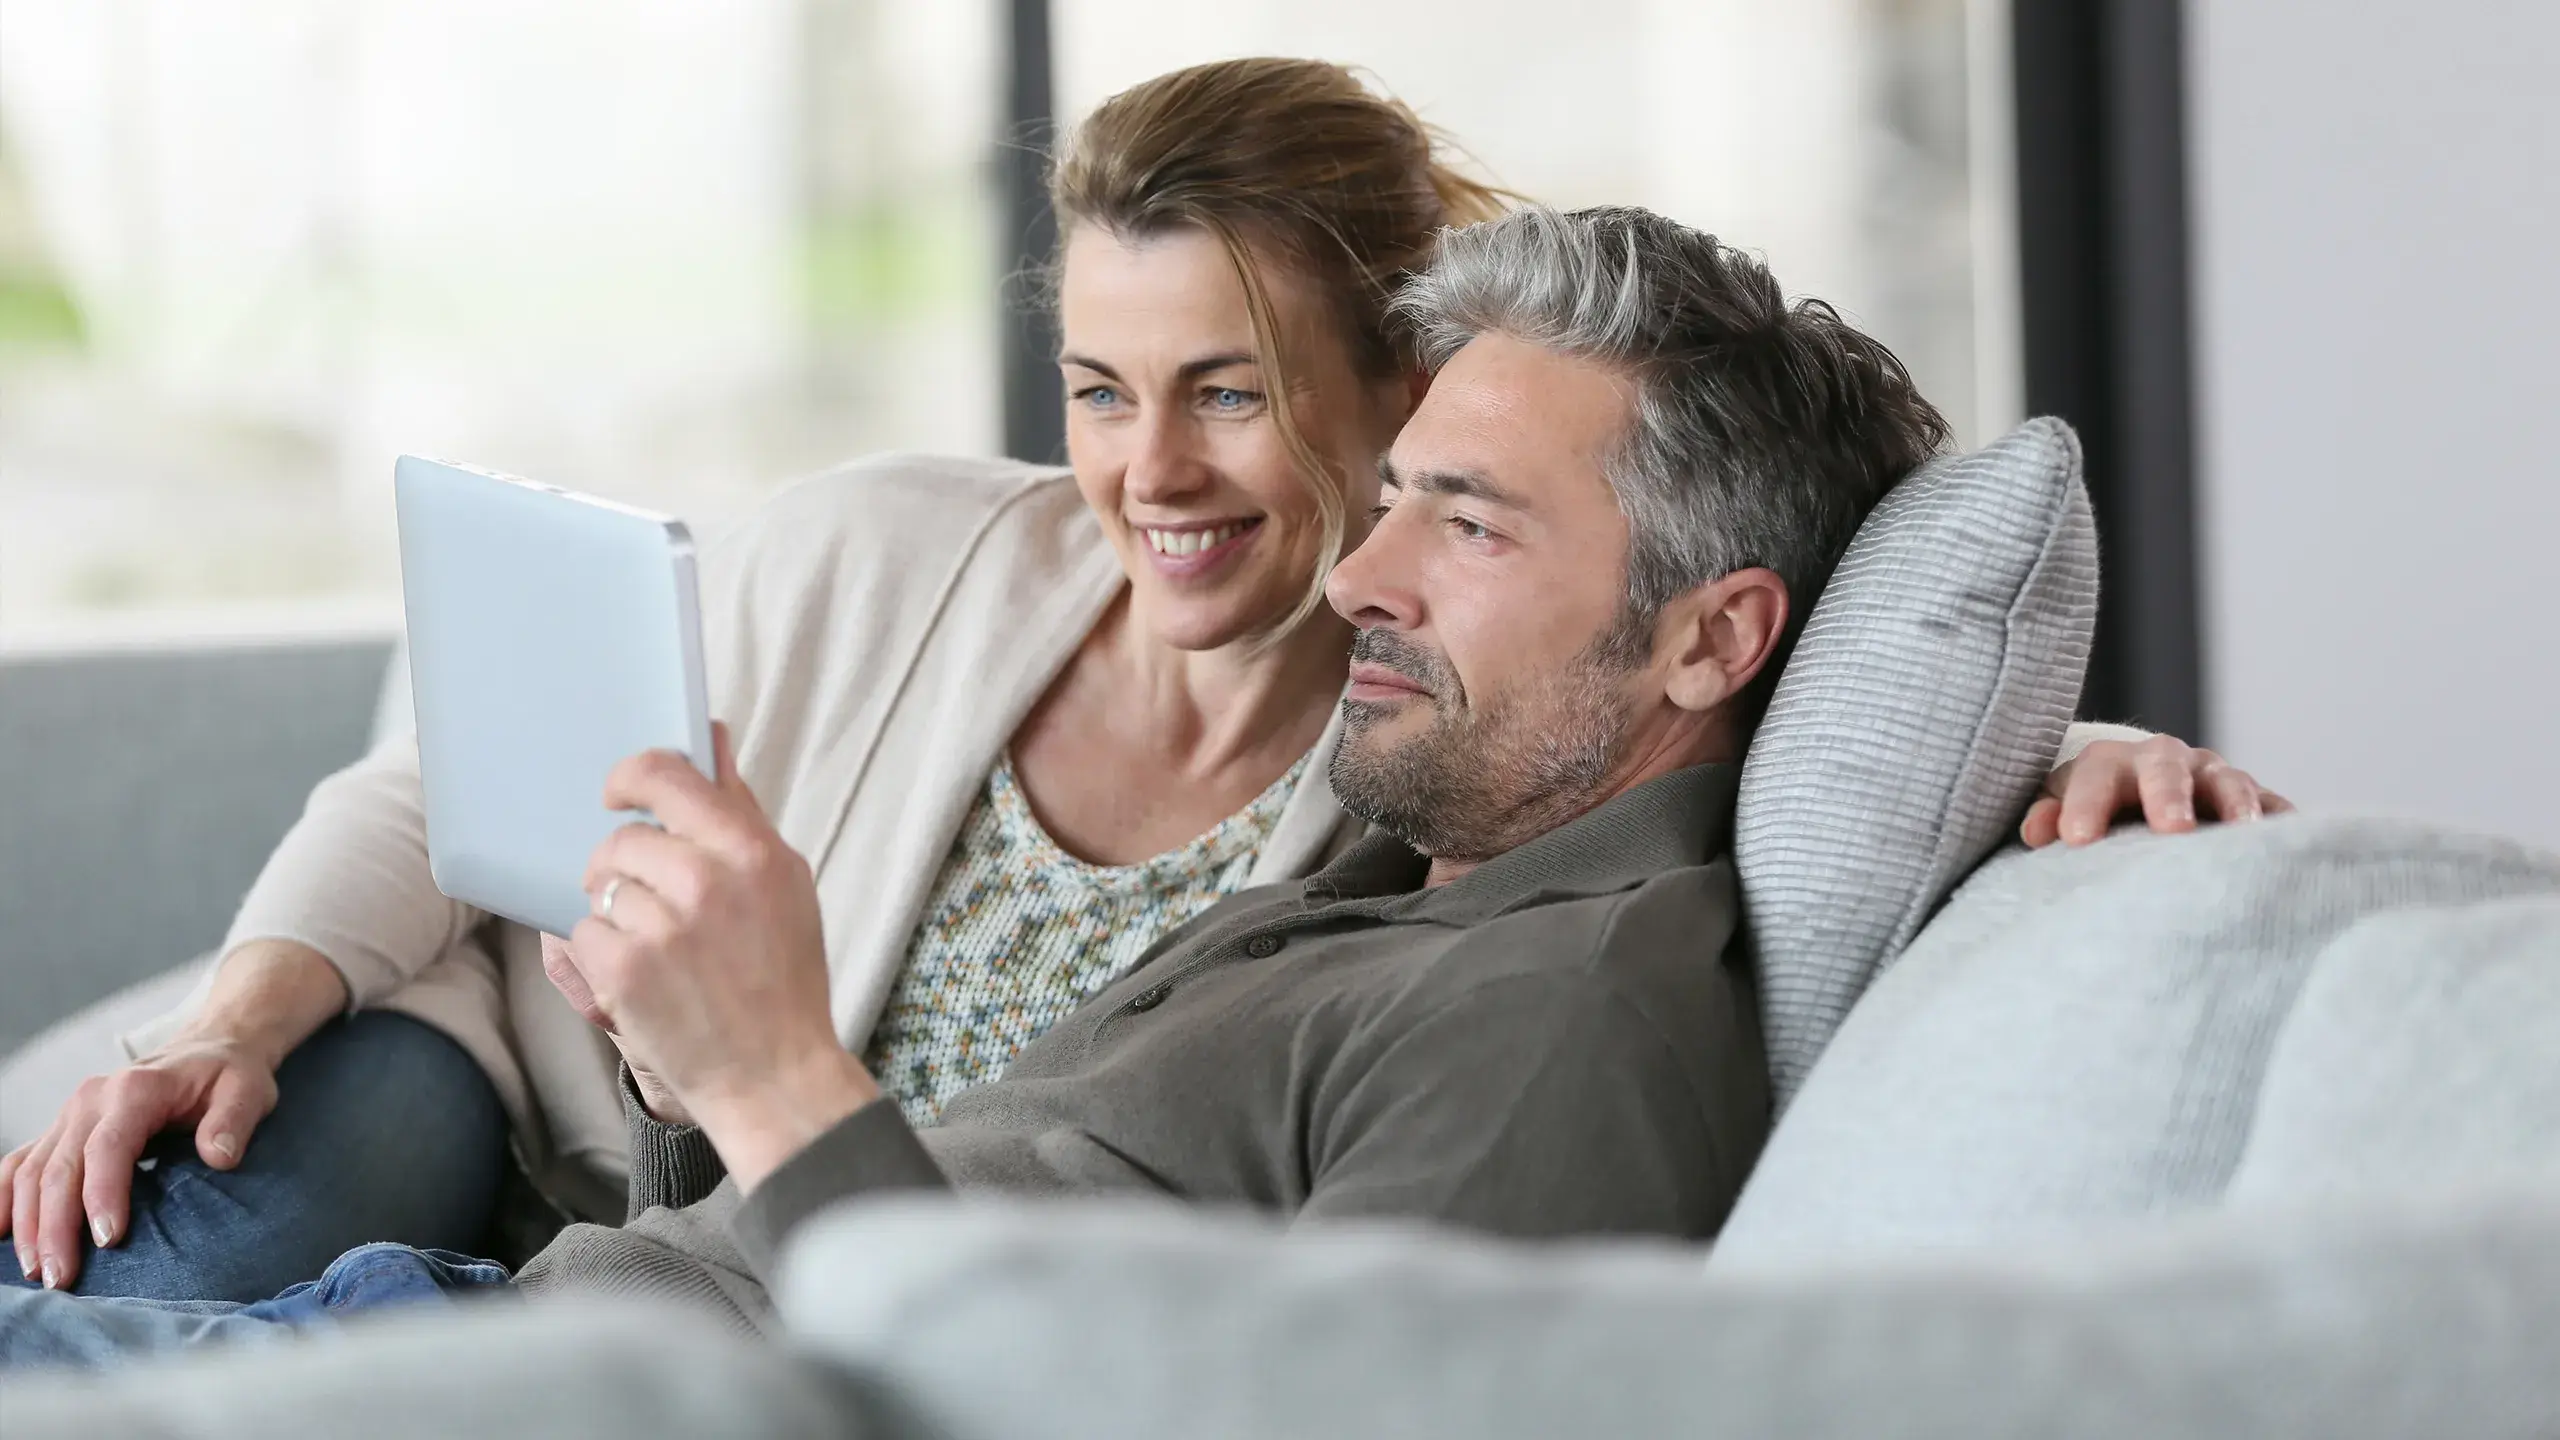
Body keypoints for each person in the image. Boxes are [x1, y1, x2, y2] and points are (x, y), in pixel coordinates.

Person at [2, 62, 2273, 1304]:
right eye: (1094, 386)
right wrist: (243, 1002)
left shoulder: (1455, 835)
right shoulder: (1356, 772)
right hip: (505, 1153)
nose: (1148, 475)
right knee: (301, 1126)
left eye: (1241, 396)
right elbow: (427, 792)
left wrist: (2043, 753)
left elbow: (1724, 659)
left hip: (620, 1319)